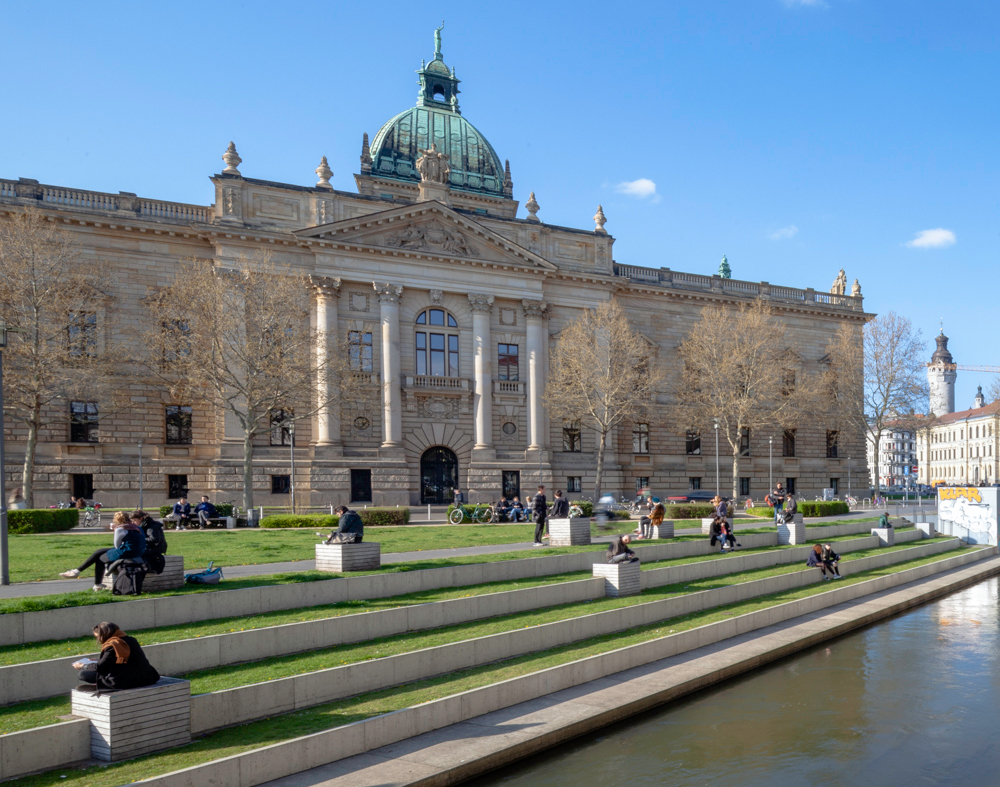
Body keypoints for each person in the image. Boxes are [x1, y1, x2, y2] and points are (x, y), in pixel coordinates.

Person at [59, 511, 145, 590]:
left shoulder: (120, 529)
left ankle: (97, 584)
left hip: (126, 552)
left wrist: (115, 531)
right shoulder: (137, 528)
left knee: (100, 559)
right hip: (138, 551)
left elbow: (117, 546)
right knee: (100, 551)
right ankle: (77, 571)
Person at [73, 622, 160, 693]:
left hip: (125, 681)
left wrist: (82, 666)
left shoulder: (112, 645)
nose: (98, 639)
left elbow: (99, 667)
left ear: (104, 634)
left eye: (97, 636)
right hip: (147, 677)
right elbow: (124, 660)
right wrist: (99, 660)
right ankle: (99, 685)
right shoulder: (131, 640)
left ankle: (102, 686)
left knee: (83, 674)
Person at [132, 510, 167, 575]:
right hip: (150, 547)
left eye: (135, 520)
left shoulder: (151, 526)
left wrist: (139, 539)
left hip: (156, 548)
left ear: (141, 519)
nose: (133, 523)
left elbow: (154, 539)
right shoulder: (144, 525)